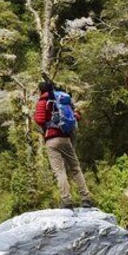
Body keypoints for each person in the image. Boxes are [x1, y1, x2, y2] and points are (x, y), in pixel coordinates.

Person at [34, 81, 94, 209]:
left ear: (40, 90)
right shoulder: (61, 100)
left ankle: (66, 200)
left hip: (51, 140)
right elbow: (75, 117)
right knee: (75, 168)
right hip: (66, 139)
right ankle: (86, 198)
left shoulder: (42, 102)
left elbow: (39, 120)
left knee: (59, 171)